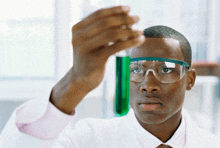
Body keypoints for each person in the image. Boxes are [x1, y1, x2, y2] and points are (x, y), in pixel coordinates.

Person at [1, 6, 220, 148]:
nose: (148, 85)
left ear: (190, 79)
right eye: (137, 70)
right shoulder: (89, 139)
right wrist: (76, 83)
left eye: (165, 70)